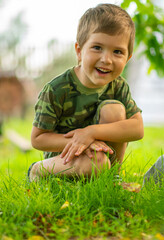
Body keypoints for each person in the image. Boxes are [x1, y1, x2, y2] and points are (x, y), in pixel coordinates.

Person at [28, 4, 144, 182]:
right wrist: (82, 141)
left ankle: (111, 180)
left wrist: (91, 132)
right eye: (97, 47)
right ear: (79, 51)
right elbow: (38, 139)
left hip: (100, 155)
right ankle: (38, 170)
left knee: (115, 110)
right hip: (65, 160)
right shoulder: (57, 90)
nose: (106, 59)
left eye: (117, 52)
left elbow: (137, 129)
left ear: (127, 58)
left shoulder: (118, 86)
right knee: (96, 163)